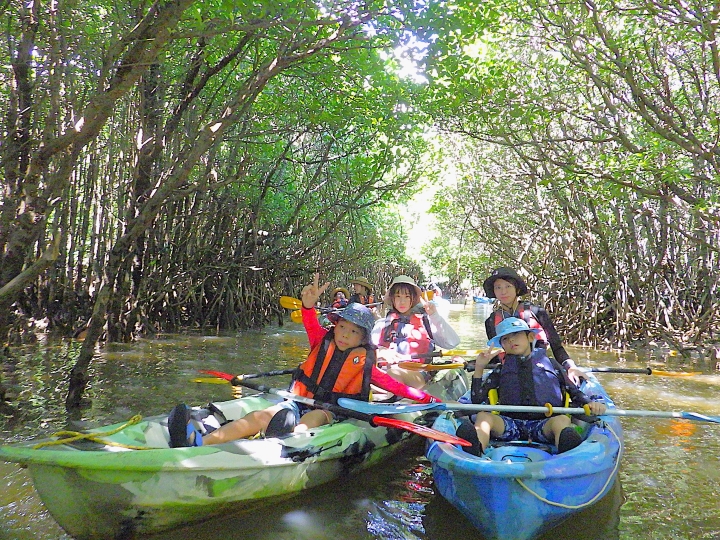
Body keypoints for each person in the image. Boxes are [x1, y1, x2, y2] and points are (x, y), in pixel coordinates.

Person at [169, 274, 441, 447]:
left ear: (363, 339)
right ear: (334, 326)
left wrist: (427, 400)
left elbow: (396, 388)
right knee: (259, 416)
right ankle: (202, 441)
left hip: (331, 410)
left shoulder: (365, 361)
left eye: (353, 332)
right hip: (297, 399)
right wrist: (308, 306)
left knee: (313, 418)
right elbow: (310, 322)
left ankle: (285, 436)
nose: (345, 335)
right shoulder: (321, 340)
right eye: (342, 328)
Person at [456, 317, 606, 456]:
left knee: (562, 420)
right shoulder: (501, 370)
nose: (511, 340)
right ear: (502, 346)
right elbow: (476, 401)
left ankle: (568, 455)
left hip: (544, 425)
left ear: (530, 337)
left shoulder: (551, 364)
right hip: (510, 424)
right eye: (505, 339)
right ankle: (475, 449)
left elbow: (572, 391)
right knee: (483, 417)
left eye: (516, 335)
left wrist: (589, 403)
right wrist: (479, 368)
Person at [479, 267, 585, 384]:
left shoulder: (537, 312)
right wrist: (471, 363)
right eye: (498, 287)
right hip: (511, 371)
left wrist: (570, 367)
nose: (503, 292)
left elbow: (556, 346)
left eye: (508, 286)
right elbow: (498, 354)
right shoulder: (491, 321)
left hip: (541, 369)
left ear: (517, 288)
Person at [372, 275, 460, 389]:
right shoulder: (382, 324)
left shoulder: (426, 322)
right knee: (386, 373)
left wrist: (434, 316)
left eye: (407, 296)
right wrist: (379, 351)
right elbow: (367, 352)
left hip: (417, 375)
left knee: (394, 373)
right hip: (385, 374)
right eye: (398, 296)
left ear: (413, 298)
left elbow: (453, 342)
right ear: (392, 298)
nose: (402, 301)